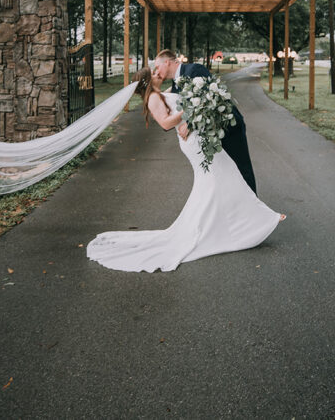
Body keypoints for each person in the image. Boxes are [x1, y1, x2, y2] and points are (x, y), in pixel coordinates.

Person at [86, 67, 284, 273]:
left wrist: (195, 109)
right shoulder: (153, 97)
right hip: (193, 143)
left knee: (221, 177)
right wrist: (189, 113)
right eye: (152, 74)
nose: (157, 74)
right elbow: (165, 123)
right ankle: (251, 219)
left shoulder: (161, 93)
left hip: (197, 138)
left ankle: (242, 219)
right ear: (146, 81)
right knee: (220, 176)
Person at [152, 49, 258, 194]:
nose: (157, 71)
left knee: (241, 167)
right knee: (225, 173)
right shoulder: (175, 85)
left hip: (228, 126)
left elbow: (210, 98)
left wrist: (190, 124)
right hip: (211, 135)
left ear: (167, 62)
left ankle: (254, 209)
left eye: (157, 67)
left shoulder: (194, 69)